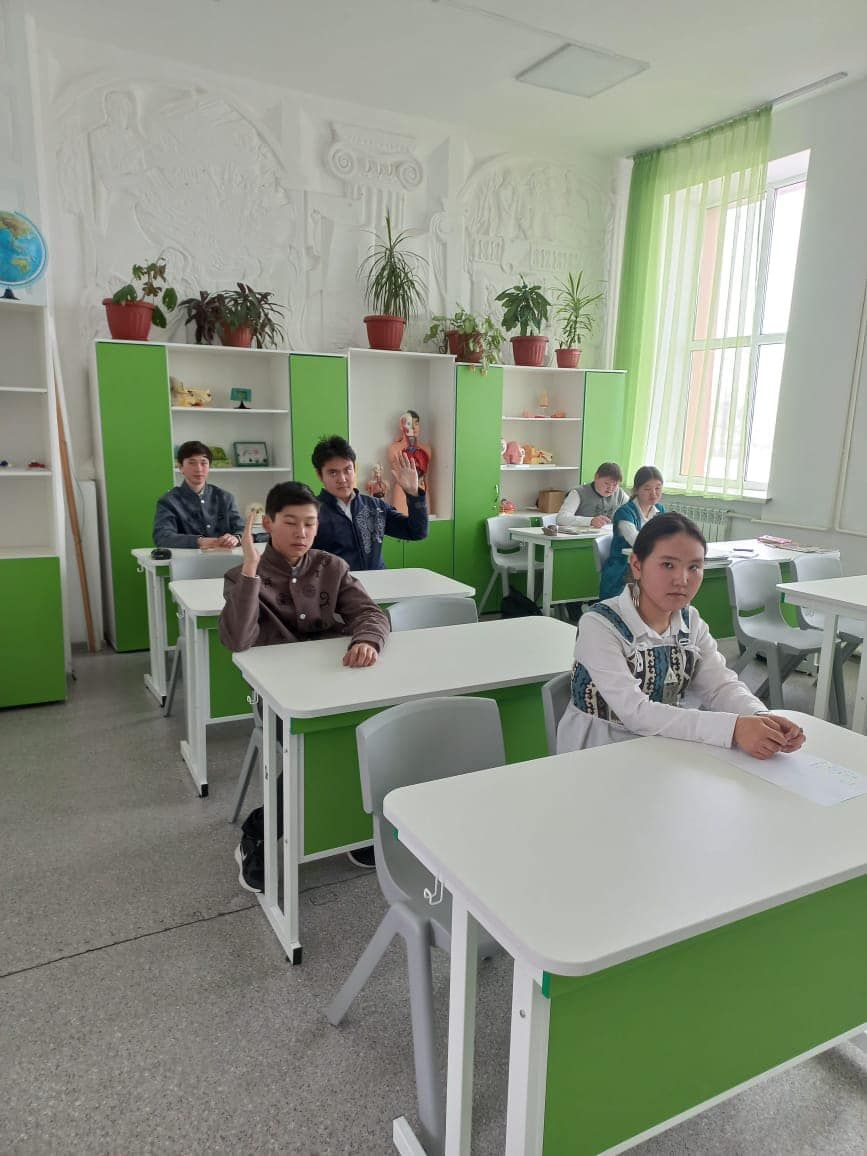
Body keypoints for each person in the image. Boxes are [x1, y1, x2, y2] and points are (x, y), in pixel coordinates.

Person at [220, 481, 391, 889]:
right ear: (268, 524)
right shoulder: (241, 576)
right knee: (317, 749)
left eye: (309, 523)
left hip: (333, 683)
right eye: (291, 522)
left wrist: (367, 641)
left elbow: (370, 613)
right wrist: (250, 570)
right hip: (278, 696)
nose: (301, 532)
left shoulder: (331, 566)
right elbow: (237, 640)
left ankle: (352, 826)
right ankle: (260, 833)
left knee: (373, 734)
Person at [557, 512, 806, 760]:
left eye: (694, 567)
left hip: (665, 743)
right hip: (599, 753)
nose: (682, 580)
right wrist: (734, 728)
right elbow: (635, 712)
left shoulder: (690, 621)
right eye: (668, 565)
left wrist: (760, 717)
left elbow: (719, 686)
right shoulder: (600, 624)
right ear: (637, 565)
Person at [311, 435, 428, 570]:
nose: (342, 479)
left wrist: (414, 494)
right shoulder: (312, 513)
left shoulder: (376, 506)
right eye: (333, 473)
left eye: (347, 470)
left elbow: (417, 532)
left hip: (378, 582)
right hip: (337, 583)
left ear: (354, 469)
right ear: (320, 475)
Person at [153, 440, 245, 549]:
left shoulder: (225, 497)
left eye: (203, 463)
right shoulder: (169, 501)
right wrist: (200, 541)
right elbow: (162, 537)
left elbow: (242, 529)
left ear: (209, 466)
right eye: (192, 463)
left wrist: (236, 538)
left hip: (226, 557)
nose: (199, 469)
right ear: (181, 467)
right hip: (187, 559)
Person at [598, 465, 665, 599]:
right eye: (647, 489)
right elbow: (637, 541)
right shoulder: (625, 512)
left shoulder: (659, 510)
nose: (653, 493)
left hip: (648, 564)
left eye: (658, 488)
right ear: (636, 490)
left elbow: (668, 536)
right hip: (624, 569)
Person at [556, 462, 628, 530]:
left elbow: (632, 511)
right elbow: (561, 519)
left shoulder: (620, 494)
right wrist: (590, 521)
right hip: (582, 536)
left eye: (615, 485)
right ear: (596, 477)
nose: (610, 488)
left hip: (608, 535)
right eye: (606, 483)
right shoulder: (578, 493)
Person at [388, 410, 432, 515]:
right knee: (402, 521)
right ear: (401, 426)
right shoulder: (394, 449)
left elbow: (426, 477)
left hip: (422, 491)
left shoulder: (426, 449)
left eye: (416, 423)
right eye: (409, 423)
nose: (413, 427)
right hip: (402, 494)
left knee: (424, 522)